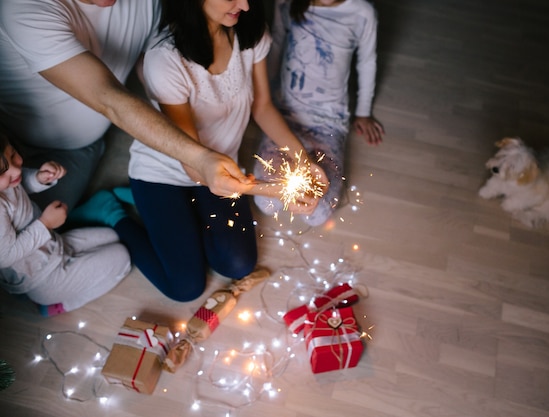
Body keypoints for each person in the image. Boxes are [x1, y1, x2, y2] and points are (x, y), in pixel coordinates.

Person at [67, 0, 327, 302]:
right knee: (185, 288)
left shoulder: (249, 29)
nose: (243, 4)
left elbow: (263, 107)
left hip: (222, 171)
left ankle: (166, 213)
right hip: (168, 173)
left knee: (237, 264)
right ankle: (113, 212)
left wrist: (303, 160)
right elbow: (195, 166)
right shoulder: (166, 59)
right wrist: (279, 191)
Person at [0, 0, 256, 213]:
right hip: (17, 142)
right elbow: (108, 98)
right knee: (25, 236)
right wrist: (199, 158)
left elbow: (153, 62)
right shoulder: (23, 9)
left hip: (83, 149)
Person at [253, 0, 385, 227]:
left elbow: (367, 62)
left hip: (328, 125)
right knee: (264, 200)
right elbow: (275, 46)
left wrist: (363, 112)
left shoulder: (362, 13)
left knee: (318, 213)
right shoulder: (286, 3)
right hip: (283, 118)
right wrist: (261, 100)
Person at [0, 131, 131, 317]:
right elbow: (6, 256)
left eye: (13, 155)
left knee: (115, 236)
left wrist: (39, 178)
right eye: (2, 172)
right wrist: (45, 224)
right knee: (123, 258)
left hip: (56, 246)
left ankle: (100, 208)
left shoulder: (8, 181)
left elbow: (20, 187)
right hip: (42, 279)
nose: (16, 170)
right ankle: (58, 306)